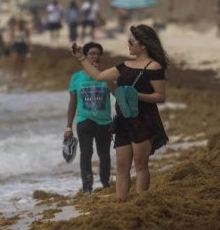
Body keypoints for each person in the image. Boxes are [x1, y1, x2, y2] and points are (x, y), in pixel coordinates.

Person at [70, 25, 169, 201]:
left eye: (131, 42)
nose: (128, 45)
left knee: (140, 165)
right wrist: (81, 58)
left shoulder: (153, 67)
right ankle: (121, 203)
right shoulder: (124, 65)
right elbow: (98, 76)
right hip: (124, 120)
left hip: (143, 120)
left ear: (143, 44)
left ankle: (142, 204)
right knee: (121, 166)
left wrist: (137, 96)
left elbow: (160, 96)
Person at [65, 42, 112, 194]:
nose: (95, 56)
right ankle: (87, 186)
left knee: (104, 155)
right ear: (85, 56)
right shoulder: (77, 77)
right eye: (91, 53)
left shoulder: (107, 74)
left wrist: (104, 76)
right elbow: (72, 103)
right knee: (86, 153)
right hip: (84, 121)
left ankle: (105, 183)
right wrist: (68, 127)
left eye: (98, 54)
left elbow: (116, 93)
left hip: (104, 122)